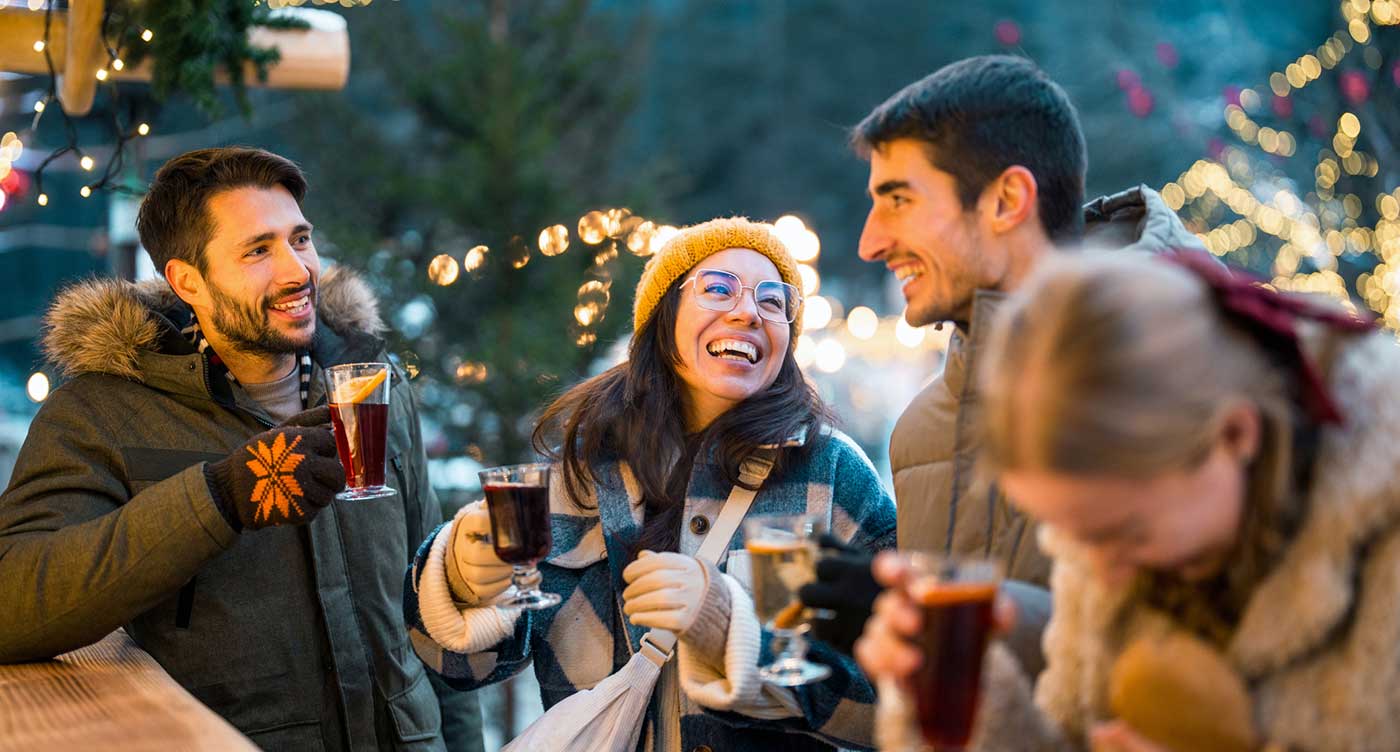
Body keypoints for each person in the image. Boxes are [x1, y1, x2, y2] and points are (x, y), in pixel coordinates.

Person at [0, 147, 483, 751]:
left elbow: (429, 604)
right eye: (258, 250)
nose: (297, 270)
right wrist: (218, 497)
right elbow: (12, 602)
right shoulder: (101, 413)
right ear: (188, 281)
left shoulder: (372, 387)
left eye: (299, 239)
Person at [857, 250, 1399, 751]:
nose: (1099, 575)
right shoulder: (1098, 539)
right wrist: (962, 698)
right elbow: (1065, 737)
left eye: (1127, 533)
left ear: (1234, 436)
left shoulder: (1384, 540)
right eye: (1068, 535)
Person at [405, 217, 898, 751]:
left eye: (773, 301)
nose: (748, 311)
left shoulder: (832, 472)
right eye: (718, 288)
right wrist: (463, 577)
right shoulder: (584, 471)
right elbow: (456, 667)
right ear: (665, 317)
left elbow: (900, 700)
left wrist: (736, 634)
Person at [801, 55, 1204, 672]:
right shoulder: (921, 429)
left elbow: (1204, 660)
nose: (870, 242)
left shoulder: (1187, 370)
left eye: (899, 200)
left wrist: (946, 616)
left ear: (1007, 199)